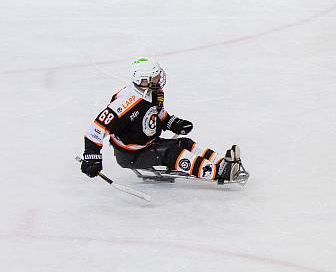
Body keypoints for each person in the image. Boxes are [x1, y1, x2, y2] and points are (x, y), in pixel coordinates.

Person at [80, 57, 244, 184]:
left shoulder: (155, 92)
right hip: (130, 154)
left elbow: (157, 115)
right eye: (156, 77)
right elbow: (95, 129)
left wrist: (173, 123)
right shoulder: (125, 102)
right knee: (173, 153)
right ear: (145, 80)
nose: (160, 78)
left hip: (148, 143)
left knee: (185, 143)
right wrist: (91, 157)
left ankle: (222, 162)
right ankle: (218, 172)